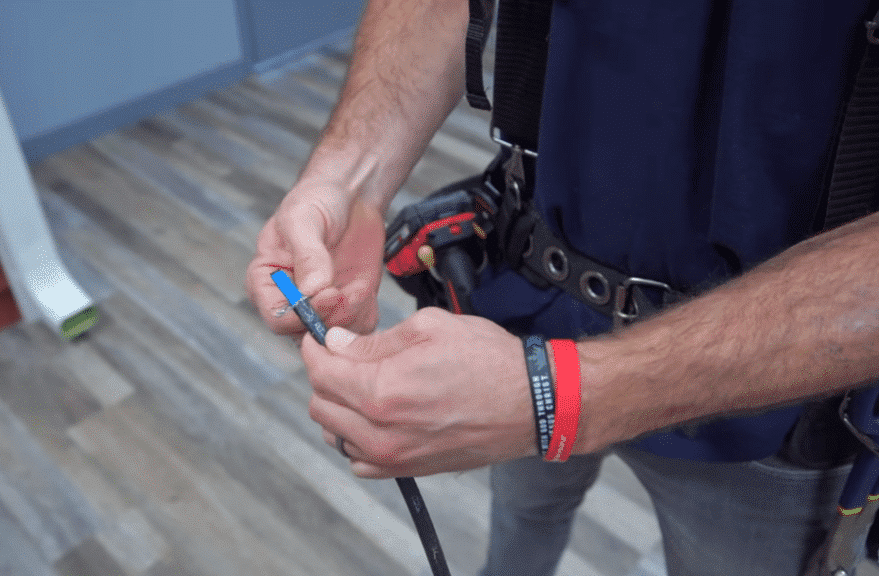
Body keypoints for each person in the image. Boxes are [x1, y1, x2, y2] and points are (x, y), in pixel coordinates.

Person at [245, 0, 879, 574]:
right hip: (525, 311)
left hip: (770, 389)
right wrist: (348, 179)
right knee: (520, 528)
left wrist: (566, 399)